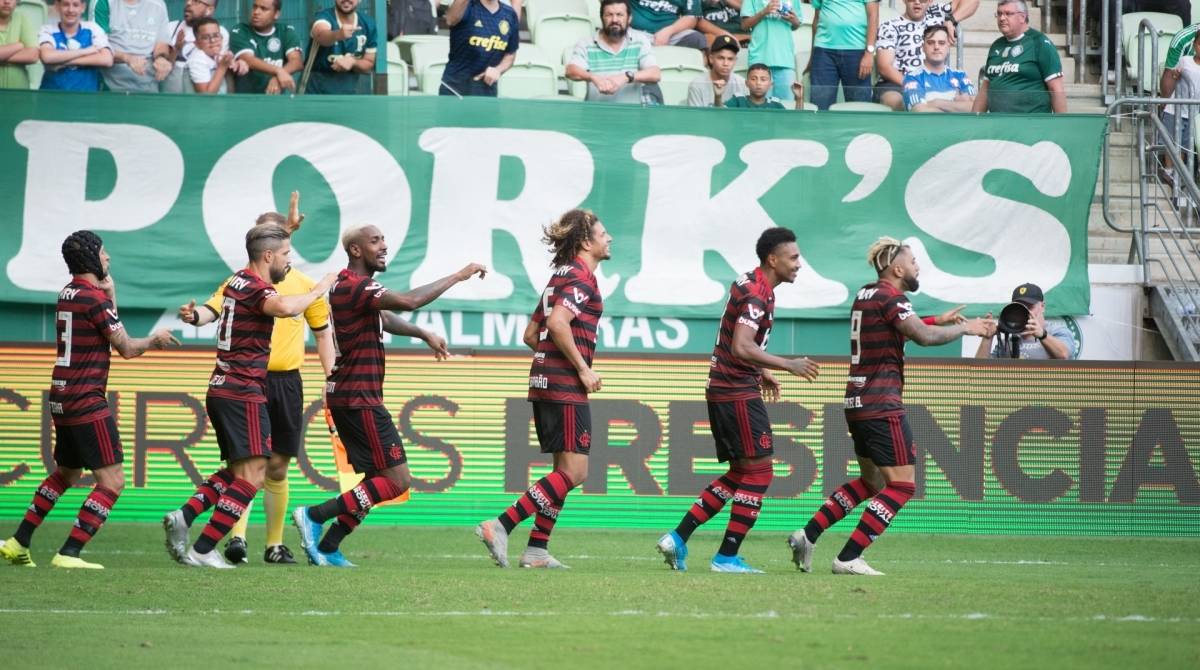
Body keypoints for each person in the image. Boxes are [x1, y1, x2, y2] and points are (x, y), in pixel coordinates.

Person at [788, 236, 989, 575]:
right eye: (913, 262)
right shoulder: (892, 298)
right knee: (902, 485)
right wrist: (967, 329)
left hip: (856, 401)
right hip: (882, 403)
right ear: (897, 268)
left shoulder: (866, 294)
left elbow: (896, 327)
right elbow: (921, 338)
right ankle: (849, 557)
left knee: (871, 484)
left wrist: (936, 320)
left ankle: (807, 535)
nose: (916, 267)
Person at [292, 227, 487, 567]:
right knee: (397, 481)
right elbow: (409, 301)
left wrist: (421, 332)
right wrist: (459, 275)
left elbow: (383, 316)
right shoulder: (357, 285)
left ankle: (328, 547)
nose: (384, 246)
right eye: (375, 241)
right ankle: (313, 515)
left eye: (384, 240)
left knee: (375, 481)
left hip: (350, 395)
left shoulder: (347, 285)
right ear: (355, 249)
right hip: (359, 397)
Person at [0, 232, 177, 569]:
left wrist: (111, 294)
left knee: (66, 472)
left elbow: (108, 329)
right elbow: (125, 347)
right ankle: (69, 553)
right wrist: (154, 339)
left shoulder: (70, 293)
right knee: (112, 481)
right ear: (90, 259)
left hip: (62, 395)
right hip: (85, 398)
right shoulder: (92, 299)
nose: (108, 258)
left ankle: (18, 541)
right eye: (103, 252)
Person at [163, 224, 336, 569]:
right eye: (286, 253)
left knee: (239, 469)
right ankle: (204, 548)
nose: (289, 260)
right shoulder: (258, 288)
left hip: (225, 387)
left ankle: (186, 515)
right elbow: (285, 308)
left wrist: (194, 316)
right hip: (243, 390)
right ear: (268, 255)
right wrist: (320, 288)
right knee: (254, 476)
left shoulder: (237, 281)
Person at [656, 227, 820, 574]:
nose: (799, 264)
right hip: (735, 391)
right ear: (772, 259)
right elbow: (741, 345)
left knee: (740, 473)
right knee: (760, 473)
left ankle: (678, 537)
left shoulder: (750, 282)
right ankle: (726, 557)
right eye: (793, 258)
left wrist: (761, 371)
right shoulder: (758, 294)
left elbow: (738, 341)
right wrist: (786, 364)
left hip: (726, 386)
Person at [475, 209, 611, 570]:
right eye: (603, 233)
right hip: (564, 386)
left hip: (544, 381)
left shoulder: (559, 277)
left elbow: (531, 335)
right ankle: (500, 525)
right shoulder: (582, 278)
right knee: (576, 473)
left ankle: (536, 550)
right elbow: (557, 322)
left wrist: (551, 363)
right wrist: (580, 369)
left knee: (562, 471)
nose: (608, 238)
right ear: (586, 242)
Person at [972, 0, 1065, 114]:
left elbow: (1056, 89)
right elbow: (985, 90)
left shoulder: (1040, 43)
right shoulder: (996, 46)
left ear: (1022, 17)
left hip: (1031, 124)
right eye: (999, 13)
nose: (1002, 18)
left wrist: (1060, 126)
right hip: (999, 124)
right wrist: (974, 122)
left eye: (1008, 13)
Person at [566, 0, 661, 104]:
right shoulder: (586, 43)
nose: (614, 19)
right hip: (594, 115)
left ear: (629, 18)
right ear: (602, 18)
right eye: (609, 15)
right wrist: (593, 77)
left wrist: (626, 77)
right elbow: (571, 71)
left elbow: (655, 74)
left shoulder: (640, 41)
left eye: (619, 15)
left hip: (631, 116)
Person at [154, 0, 247, 93]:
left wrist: (236, 63)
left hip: (205, 102)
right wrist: (176, 49)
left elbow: (222, 61)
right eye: (188, 0)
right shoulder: (170, 28)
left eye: (196, 1)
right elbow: (161, 68)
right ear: (196, 42)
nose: (188, 3)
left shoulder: (221, 32)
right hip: (171, 98)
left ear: (209, 10)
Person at [808, 0, 879, 109]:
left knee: (859, 108)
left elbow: (873, 16)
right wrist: (812, 57)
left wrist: (869, 53)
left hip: (857, 52)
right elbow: (816, 19)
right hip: (823, 51)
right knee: (820, 106)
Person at [975, 282, 1076, 359]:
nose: (1025, 312)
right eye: (1020, 308)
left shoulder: (1057, 332)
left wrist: (1042, 335)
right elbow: (979, 371)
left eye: (1029, 307)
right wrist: (987, 338)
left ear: (1042, 306)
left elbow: (1064, 355)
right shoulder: (1007, 341)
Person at [440, 0, 518, 97]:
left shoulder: (510, 14)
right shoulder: (466, 6)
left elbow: (510, 55)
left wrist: (498, 69)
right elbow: (450, 19)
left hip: (487, 92)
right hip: (454, 89)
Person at [91, 0, 171, 92]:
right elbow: (99, 46)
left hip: (148, 86)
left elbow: (161, 42)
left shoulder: (159, 5)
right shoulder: (104, 3)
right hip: (110, 86)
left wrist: (161, 58)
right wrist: (127, 58)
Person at [230, 0, 303, 95]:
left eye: (263, 9)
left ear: (276, 14)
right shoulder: (240, 30)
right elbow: (248, 60)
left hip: (275, 99)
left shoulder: (285, 31)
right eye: (254, 7)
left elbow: (297, 62)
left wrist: (277, 77)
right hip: (246, 100)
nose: (256, 12)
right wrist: (278, 71)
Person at [37, 0, 113, 91]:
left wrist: (61, 61)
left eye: (76, 5)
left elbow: (107, 59)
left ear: (83, 7)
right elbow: (48, 57)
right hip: (51, 96)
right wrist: (86, 51)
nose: (70, 10)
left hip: (87, 97)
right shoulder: (47, 30)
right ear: (57, 6)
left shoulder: (93, 28)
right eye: (66, 4)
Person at [306, 0, 377, 95]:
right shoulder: (323, 16)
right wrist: (338, 34)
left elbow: (369, 63)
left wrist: (353, 62)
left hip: (349, 91)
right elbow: (321, 35)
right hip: (315, 90)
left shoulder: (368, 24)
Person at [902, 24, 975, 112]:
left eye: (941, 43)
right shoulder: (912, 77)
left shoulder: (960, 75)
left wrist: (937, 103)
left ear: (948, 47)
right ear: (923, 47)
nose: (936, 47)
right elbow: (919, 111)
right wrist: (957, 106)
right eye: (930, 43)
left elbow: (975, 108)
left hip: (958, 126)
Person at [740, 0, 802, 103]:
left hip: (785, 59)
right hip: (760, 58)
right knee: (759, 109)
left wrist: (794, 20)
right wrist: (764, 12)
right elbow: (744, 25)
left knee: (786, 108)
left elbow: (796, 24)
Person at [686, 33, 748, 106]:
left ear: (735, 61)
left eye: (730, 59)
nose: (725, 63)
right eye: (721, 58)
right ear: (711, 59)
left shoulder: (742, 83)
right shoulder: (697, 84)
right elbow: (695, 116)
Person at [630, 0, 708, 49]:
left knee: (696, 39)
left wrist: (669, 31)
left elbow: (691, 17)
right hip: (635, 32)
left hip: (670, 36)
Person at [186, 16, 233, 93]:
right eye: (205, 38)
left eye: (216, 35)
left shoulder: (216, 55)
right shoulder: (197, 59)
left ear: (221, 38)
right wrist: (222, 68)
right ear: (196, 43)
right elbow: (206, 96)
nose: (213, 40)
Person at [725, 62, 802, 108]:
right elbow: (720, 115)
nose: (758, 83)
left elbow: (794, 123)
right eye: (753, 79)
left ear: (770, 85)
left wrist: (799, 98)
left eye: (763, 79)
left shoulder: (775, 104)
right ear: (746, 83)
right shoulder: (738, 100)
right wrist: (718, 96)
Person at [0, 0, 39, 90]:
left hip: (19, 95)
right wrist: (19, 46)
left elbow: (33, 55)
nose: (7, 1)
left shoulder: (22, 19)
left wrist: (2, 55)